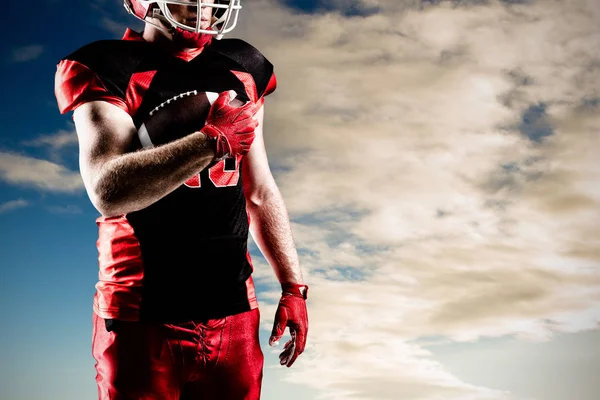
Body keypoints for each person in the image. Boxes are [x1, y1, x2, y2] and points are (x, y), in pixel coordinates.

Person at [53, 1, 308, 399]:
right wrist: (209, 142)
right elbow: (108, 190)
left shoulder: (243, 64)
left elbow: (258, 191)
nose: (203, 5)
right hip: (143, 313)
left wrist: (293, 286)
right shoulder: (107, 65)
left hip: (234, 309)